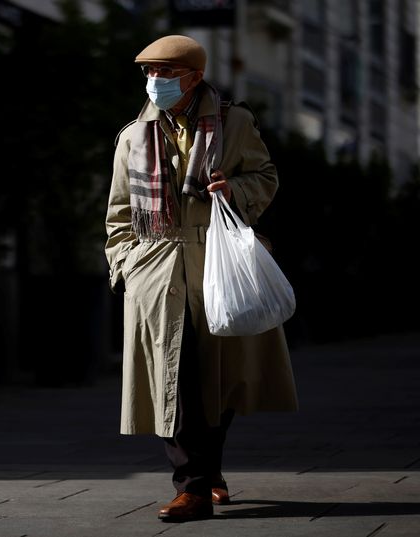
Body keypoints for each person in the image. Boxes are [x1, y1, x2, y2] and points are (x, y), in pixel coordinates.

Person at [104, 34, 299, 523]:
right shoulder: (132, 136)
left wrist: (232, 189)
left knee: (219, 378)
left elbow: (266, 176)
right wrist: (127, 265)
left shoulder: (235, 121)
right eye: (149, 73)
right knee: (171, 379)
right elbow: (118, 213)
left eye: (166, 74)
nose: (156, 82)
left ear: (194, 76)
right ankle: (190, 486)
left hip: (219, 262)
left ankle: (209, 469)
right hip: (157, 268)